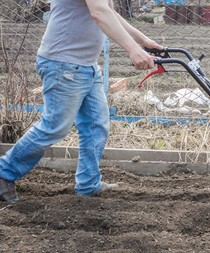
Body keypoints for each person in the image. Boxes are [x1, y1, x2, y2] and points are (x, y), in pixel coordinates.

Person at [0, 0, 163, 203]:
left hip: (85, 66)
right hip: (63, 64)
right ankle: (4, 173)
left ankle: (88, 184)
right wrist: (132, 49)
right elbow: (99, 13)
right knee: (54, 127)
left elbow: (109, 12)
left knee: (96, 126)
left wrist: (143, 41)